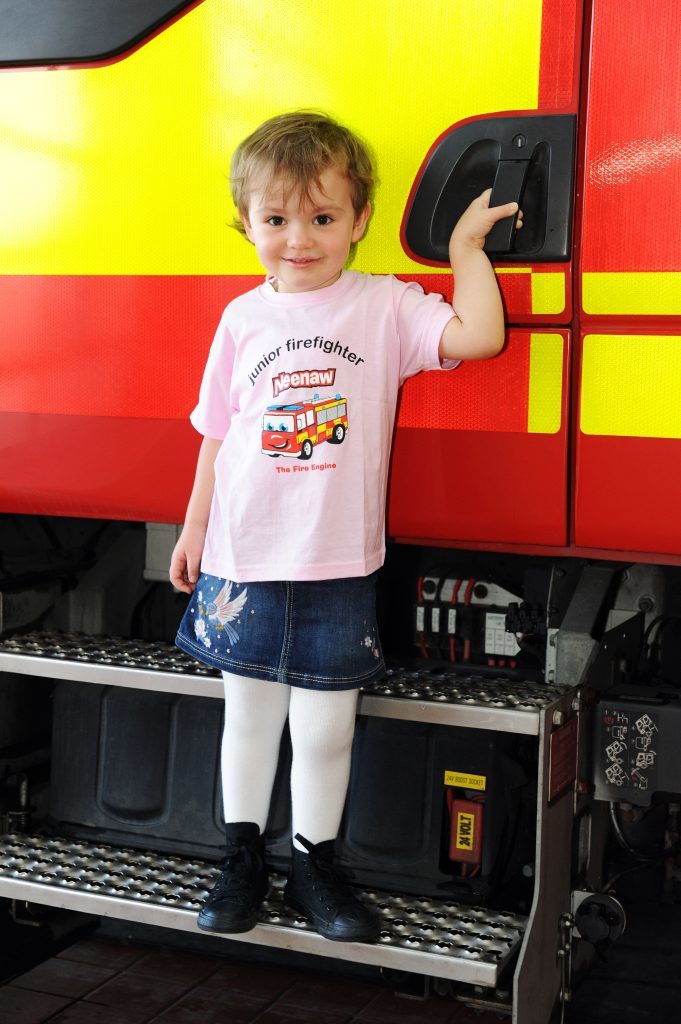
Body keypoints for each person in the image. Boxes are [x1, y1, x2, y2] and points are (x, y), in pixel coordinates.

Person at [170, 110, 522, 943]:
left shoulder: (383, 308)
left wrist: (465, 254)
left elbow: (479, 335)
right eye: (277, 219)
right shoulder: (240, 321)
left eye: (323, 218)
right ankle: (240, 861)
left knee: (326, 728)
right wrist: (192, 528)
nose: (300, 239)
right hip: (241, 556)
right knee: (249, 719)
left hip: (337, 564)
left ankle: (314, 870)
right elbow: (217, 433)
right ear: (245, 221)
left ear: (359, 221)